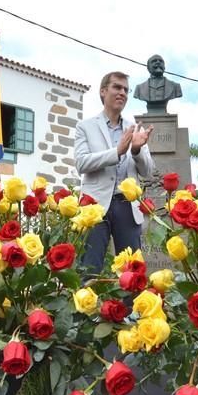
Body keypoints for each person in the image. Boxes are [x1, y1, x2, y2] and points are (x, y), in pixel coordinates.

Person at [74, 71, 155, 275]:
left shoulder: (135, 128)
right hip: (94, 207)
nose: (122, 93)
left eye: (126, 90)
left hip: (127, 207)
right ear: (103, 91)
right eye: (117, 87)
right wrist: (117, 152)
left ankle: (131, 308)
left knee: (131, 272)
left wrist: (135, 150)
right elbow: (81, 163)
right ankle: (87, 307)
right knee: (89, 270)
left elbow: (148, 172)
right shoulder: (85, 127)